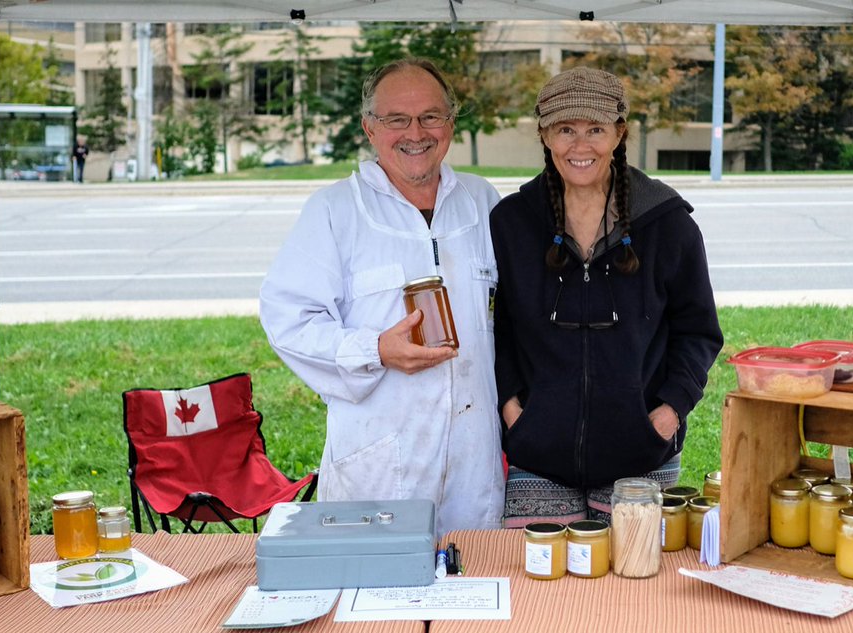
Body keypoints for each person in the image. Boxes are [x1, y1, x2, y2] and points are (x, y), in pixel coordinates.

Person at [259, 58, 505, 535]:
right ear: (369, 128)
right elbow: (288, 319)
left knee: (471, 584)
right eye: (396, 119)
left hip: (473, 462)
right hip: (381, 462)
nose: (416, 132)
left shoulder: (482, 201)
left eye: (431, 116)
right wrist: (375, 350)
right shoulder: (334, 210)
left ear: (451, 123)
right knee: (374, 599)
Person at [491, 67, 723, 527]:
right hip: (537, 453)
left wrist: (669, 410)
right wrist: (513, 408)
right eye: (565, 130)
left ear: (619, 133)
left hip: (642, 453)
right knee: (539, 582)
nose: (581, 146)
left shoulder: (667, 224)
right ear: (544, 135)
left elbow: (698, 331)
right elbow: (499, 329)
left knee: (637, 583)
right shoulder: (511, 222)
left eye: (595, 129)